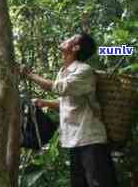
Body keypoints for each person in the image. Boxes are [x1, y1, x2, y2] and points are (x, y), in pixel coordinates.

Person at [20, 32, 118, 187]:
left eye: (70, 39)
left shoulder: (84, 70)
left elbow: (60, 88)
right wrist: (43, 102)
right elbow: (66, 102)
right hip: (74, 140)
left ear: (76, 47)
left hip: (90, 138)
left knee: (99, 182)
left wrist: (30, 75)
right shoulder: (63, 72)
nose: (65, 39)